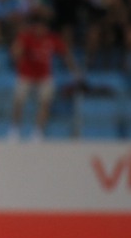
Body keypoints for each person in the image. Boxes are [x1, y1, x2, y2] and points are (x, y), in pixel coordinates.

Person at [8, 8, 79, 140]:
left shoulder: (52, 39)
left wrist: (74, 71)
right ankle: (15, 130)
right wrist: (17, 53)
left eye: (44, 27)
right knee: (18, 100)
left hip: (44, 76)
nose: (41, 30)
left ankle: (38, 132)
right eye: (38, 27)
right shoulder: (26, 36)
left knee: (45, 102)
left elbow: (66, 54)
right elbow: (15, 50)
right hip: (26, 74)